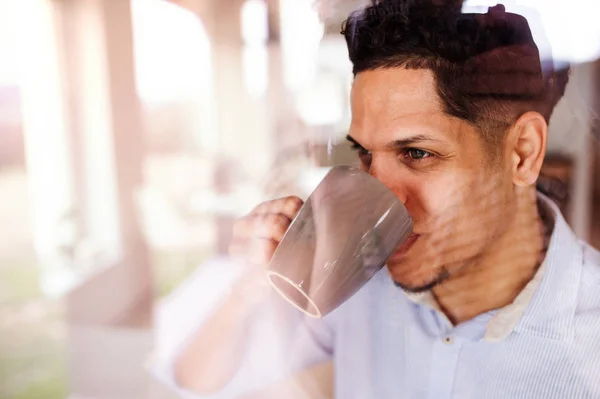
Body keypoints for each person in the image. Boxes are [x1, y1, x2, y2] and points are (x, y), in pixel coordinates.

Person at [156, 1, 600, 398]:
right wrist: (248, 288)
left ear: (522, 153)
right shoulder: (360, 279)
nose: (380, 193)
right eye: (366, 155)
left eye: (418, 154)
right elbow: (195, 379)